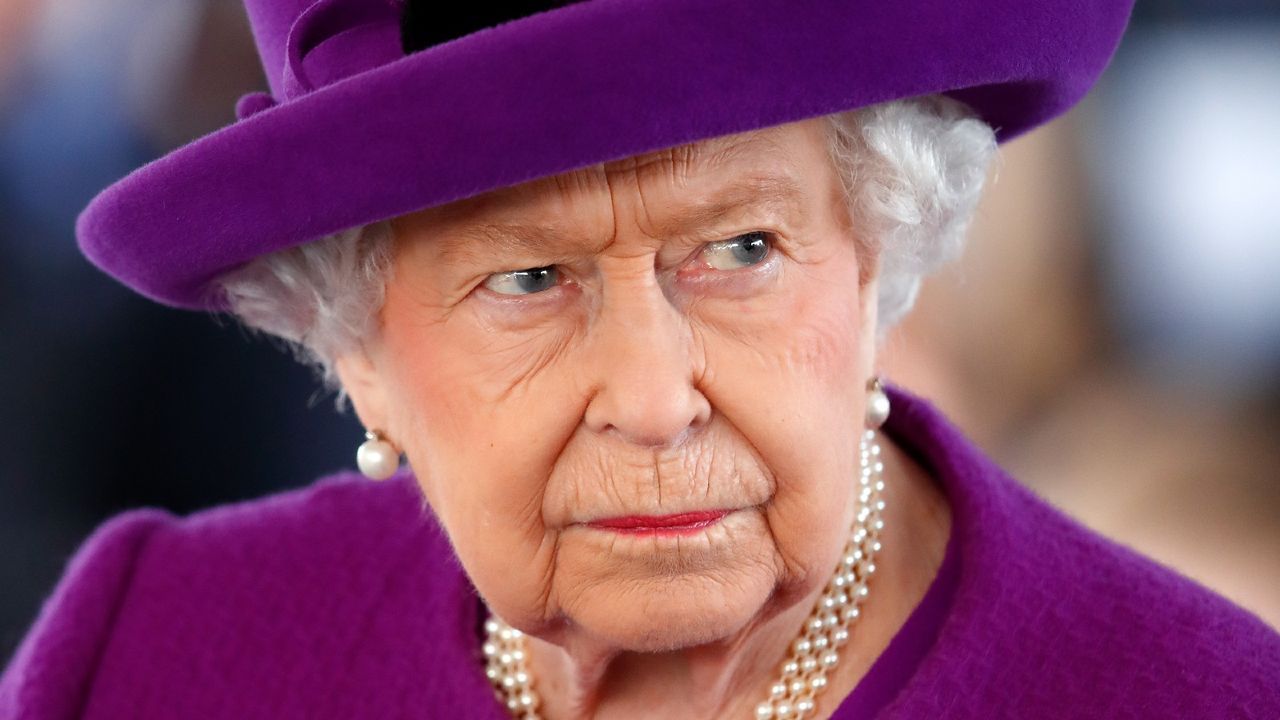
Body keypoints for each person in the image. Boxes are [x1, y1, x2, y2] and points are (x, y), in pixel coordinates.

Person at [2, 1, 1278, 718]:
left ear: (877, 262)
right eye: (528, 279)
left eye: (738, 250)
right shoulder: (154, 656)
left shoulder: (1191, 701)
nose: (655, 400)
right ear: (360, 351)